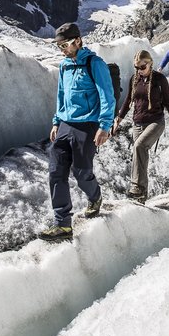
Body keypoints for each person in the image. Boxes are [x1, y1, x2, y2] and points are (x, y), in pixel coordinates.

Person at [39, 22, 115, 242]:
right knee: (56, 172)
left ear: (78, 41)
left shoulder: (95, 64)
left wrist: (105, 126)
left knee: (82, 173)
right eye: (59, 46)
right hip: (65, 125)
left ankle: (95, 196)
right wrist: (56, 121)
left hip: (88, 125)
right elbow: (61, 95)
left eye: (65, 45)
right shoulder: (64, 66)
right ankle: (62, 224)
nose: (62, 49)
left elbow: (107, 96)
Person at [113, 50, 169, 203]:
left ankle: (136, 186)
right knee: (141, 156)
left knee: (139, 146)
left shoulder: (159, 80)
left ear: (150, 63)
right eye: (136, 67)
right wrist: (118, 119)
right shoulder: (134, 79)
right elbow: (127, 101)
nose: (139, 70)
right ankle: (141, 196)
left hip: (155, 122)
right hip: (138, 122)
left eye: (142, 67)